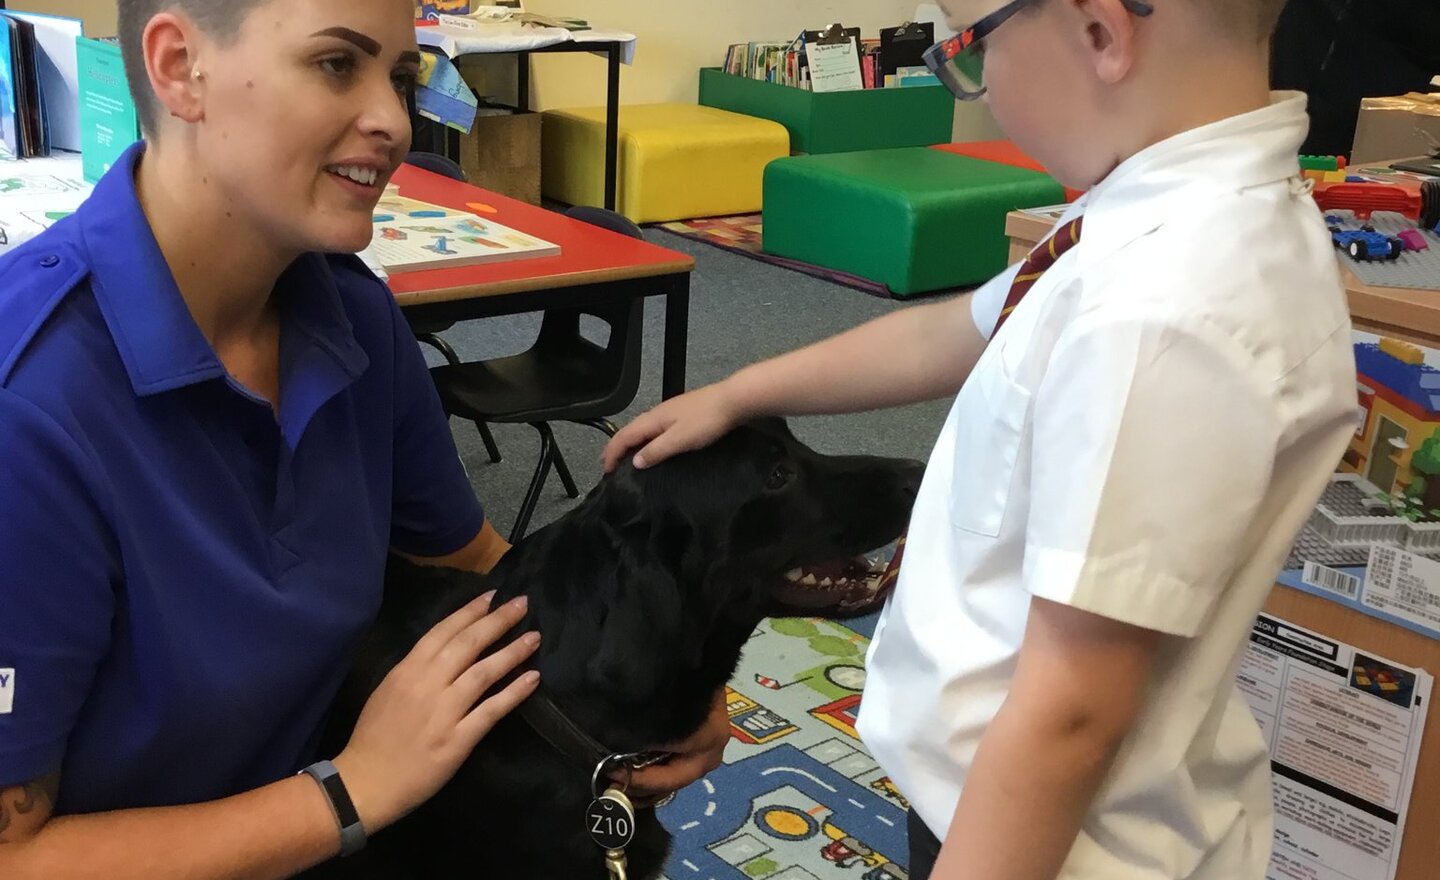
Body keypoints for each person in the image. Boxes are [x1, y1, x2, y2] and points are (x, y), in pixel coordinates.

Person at [603, 1, 1357, 878]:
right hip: (1011, 794)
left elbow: (1069, 713)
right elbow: (956, 331)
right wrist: (738, 394)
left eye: (970, 47)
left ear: (1102, 33)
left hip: (1041, 832)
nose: (980, 87)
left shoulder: (1159, 314)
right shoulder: (1158, 218)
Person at [0, 1, 724, 876]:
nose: (393, 119)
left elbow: (480, 571)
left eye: (402, 77)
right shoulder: (30, 410)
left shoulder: (351, 312)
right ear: (179, 68)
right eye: (338, 65)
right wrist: (351, 791)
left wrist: (659, 686)